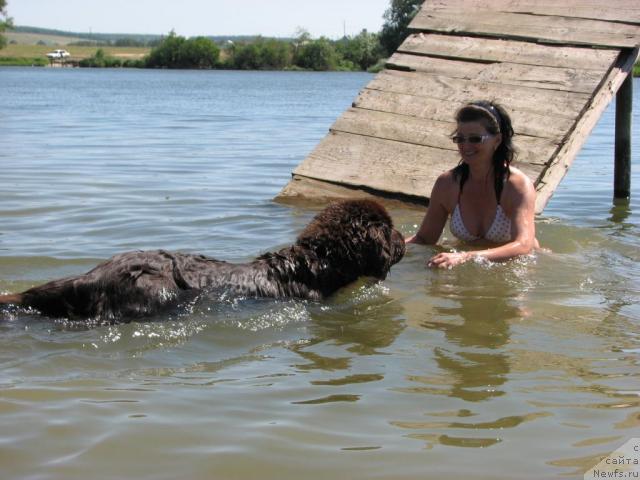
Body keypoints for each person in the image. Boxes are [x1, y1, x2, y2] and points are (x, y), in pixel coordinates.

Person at [405, 100, 539, 269]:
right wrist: (386, 247)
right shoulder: (447, 184)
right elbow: (425, 239)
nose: (466, 146)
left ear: (497, 140)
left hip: (522, 268)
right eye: (460, 139)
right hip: (471, 264)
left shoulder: (517, 186)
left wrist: (466, 256)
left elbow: (524, 246)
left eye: (475, 139)